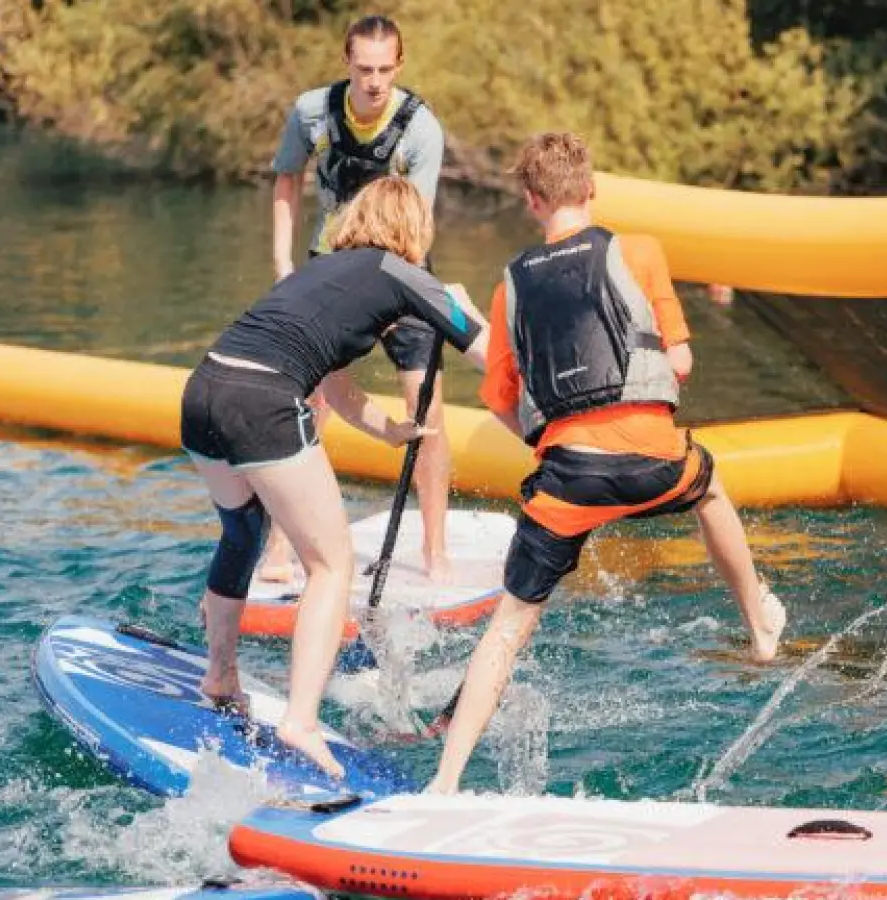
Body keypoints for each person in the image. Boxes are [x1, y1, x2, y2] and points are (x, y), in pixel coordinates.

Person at [423, 132, 787, 795]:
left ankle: (444, 783)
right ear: (591, 190)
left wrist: (556, 443)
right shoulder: (640, 251)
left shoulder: (509, 286)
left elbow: (501, 402)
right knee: (709, 490)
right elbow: (680, 362)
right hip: (655, 462)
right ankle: (760, 629)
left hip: (567, 481)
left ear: (532, 201)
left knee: (507, 628)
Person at [181, 177, 488, 778]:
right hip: (263, 402)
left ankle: (219, 678)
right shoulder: (401, 272)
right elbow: (487, 352)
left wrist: (390, 430)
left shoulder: (319, 272)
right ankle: (300, 721)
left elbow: (337, 390)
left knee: (241, 534)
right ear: (413, 229)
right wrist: (466, 306)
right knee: (331, 565)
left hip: (204, 392)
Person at [263, 14, 459, 584]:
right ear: (346, 61)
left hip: (403, 270)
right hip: (329, 266)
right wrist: (283, 265)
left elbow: (416, 226)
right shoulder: (311, 113)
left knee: (426, 409)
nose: (374, 81)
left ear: (399, 65)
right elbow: (285, 181)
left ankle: (435, 552)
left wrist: (393, 295)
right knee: (309, 405)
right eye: (364, 68)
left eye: (384, 70)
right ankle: (279, 550)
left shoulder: (421, 129)